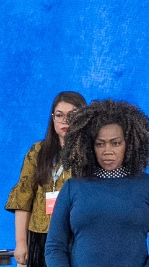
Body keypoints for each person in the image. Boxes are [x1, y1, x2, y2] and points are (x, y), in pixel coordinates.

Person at [44, 99, 149, 267]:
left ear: (130, 145)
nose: (107, 151)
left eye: (116, 143)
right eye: (100, 144)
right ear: (90, 147)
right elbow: (54, 247)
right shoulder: (72, 187)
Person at [6, 91, 86, 267]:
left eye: (72, 115)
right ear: (52, 118)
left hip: (77, 238)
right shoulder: (37, 151)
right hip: (39, 237)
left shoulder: (91, 154)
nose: (65, 120)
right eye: (59, 115)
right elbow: (23, 199)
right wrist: (20, 243)